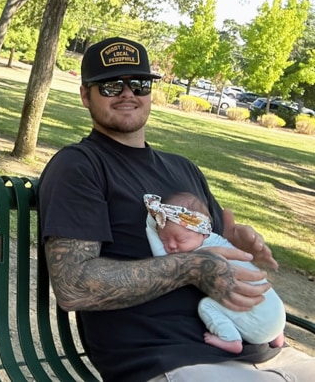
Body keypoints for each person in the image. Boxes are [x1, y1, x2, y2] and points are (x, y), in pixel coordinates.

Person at [38, 36, 315, 382]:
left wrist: (236, 238)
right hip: (170, 357)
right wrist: (191, 268)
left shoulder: (183, 168)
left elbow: (213, 240)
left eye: (138, 84)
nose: (127, 94)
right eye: (110, 86)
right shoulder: (79, 166)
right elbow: (73, 286)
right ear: (85, 95)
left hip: (265, 351)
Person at [144, 192, 286, 354]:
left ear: (203, 233)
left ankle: (230, 338)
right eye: (164, 240)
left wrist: (150, 223)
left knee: (206, 305)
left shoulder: (202, 254)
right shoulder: (218, 240)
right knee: (260, 289)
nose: (171, 246)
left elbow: (161, 259)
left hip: (256, 325)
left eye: (180, 240)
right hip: (277, 313)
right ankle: (276, 336)